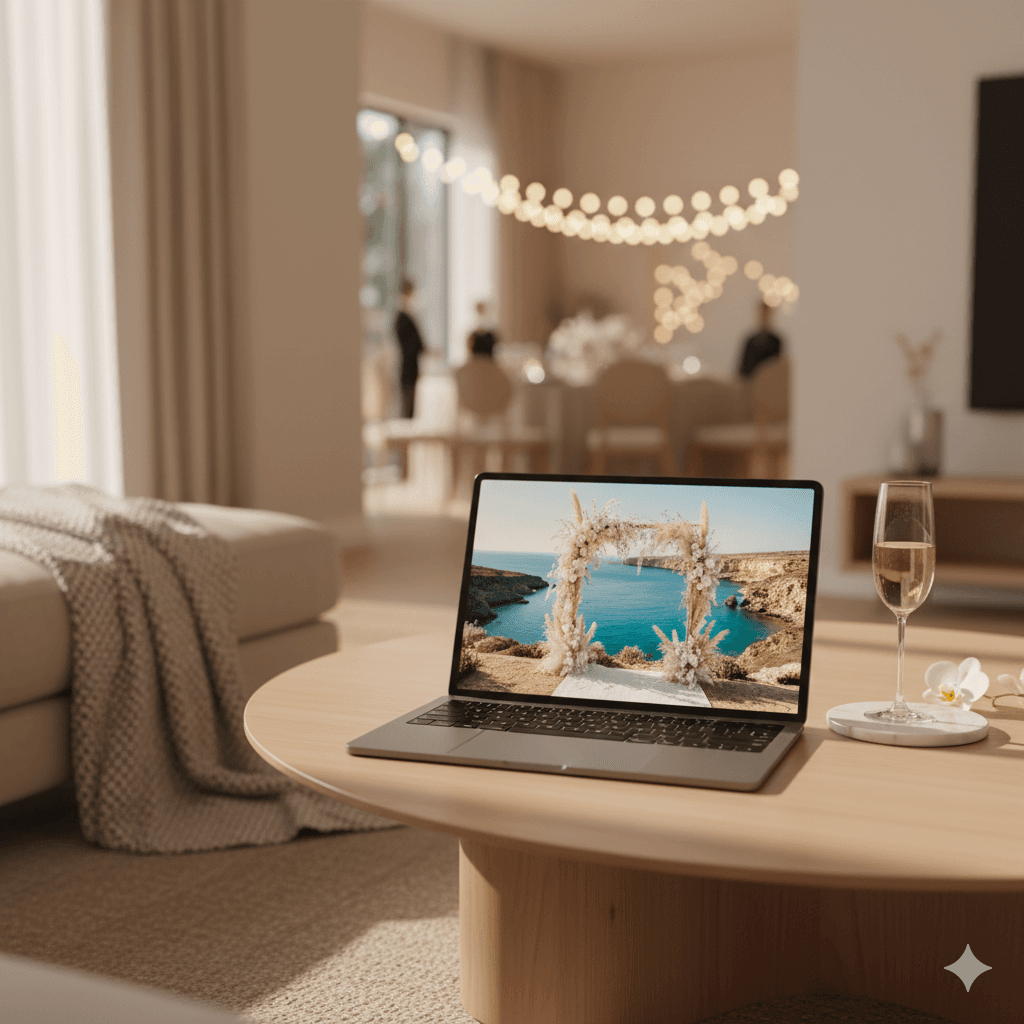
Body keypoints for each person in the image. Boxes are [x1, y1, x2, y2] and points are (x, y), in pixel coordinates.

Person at [394, 278, 425, 418]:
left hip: (412, 366)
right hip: (408, 367)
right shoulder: (402, 317)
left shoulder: (407, 316)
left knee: (412, 406)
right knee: (408, 406)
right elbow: (413, 344)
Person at [737, 299, 784, 378]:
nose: (764, 316)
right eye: (762, 313)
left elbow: (777, 366)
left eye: (766, 313)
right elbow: (743, 368)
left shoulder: (776, 341)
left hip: (768, 380)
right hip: (749, 381)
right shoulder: (750, 340)